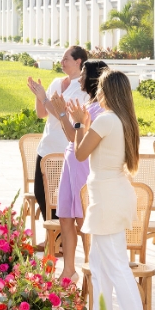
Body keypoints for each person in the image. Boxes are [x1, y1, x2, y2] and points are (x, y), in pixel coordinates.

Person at [72, 70, 150, 310]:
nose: (97, 94)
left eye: (100, 89)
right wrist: (84, 124)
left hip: (107, 199)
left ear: (107, 92)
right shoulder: (122, 120)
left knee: (116, 267)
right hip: (109, 196)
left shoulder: (106, 120)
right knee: (99, 267)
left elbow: (80, 154)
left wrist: (79, 123)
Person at [47, 59, 108, 281]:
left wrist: (62, 113)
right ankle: (69, 270)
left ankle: (93, 271)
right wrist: (63, 113)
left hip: (83, 166)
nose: (79, 78)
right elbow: (71, 138)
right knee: (65, 217)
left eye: (83, 74)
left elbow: (75, 138)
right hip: (70, 163)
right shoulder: (89, 105)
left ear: (92, 78)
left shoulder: (100, 109)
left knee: (83, 221)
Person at [26, 46, 89, 249]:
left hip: (64, 149)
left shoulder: (83, 89)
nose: (62, 62)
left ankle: (58, 240)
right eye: (61, 59)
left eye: (66, 59)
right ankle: (54, 237)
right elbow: (42, 113)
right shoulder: (55, 83)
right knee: (41, 192)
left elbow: (67, 117)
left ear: (78, 62)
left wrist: (45, 98)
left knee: (60, 197)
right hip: (46, 147)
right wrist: (39, 95)